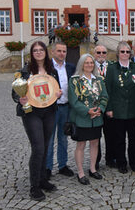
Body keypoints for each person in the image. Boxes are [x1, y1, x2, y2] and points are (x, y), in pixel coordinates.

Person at [11, 41, 62, 201]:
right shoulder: (25, 71)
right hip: (31, 113)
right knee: (38, 148)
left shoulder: (52, 70)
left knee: (46, 146)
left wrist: (58, 94)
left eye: (41, 50)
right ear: (32, 53)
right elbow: (14, 93)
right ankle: (34, 187)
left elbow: (56, 88)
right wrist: (20, 98)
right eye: (35, 50)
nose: (39, 52)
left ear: (46, 52)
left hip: (49, 112)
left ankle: (42, 180)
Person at [68, 54, 108, 185]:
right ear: (81, 64)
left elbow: (104, 96)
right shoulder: (75, 80)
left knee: (95, 143)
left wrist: (100, 108)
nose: (89, 65)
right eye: (87, 63)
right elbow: (74, 100)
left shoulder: (99, 79)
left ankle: (92, 168)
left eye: (91, 63)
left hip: (96, 118)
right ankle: (80, 172)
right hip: (82, 117)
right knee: (81, 144)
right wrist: (87, 111)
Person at [105, 41, 135, 173]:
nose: (125, 54)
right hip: (118, 110)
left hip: (133, 109)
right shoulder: (111, 68)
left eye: (127, 51)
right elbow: (107, 89)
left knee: (134, 139)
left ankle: (134, 162)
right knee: (119, 139)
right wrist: (109, 108)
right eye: (122, 51)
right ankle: (121, 162)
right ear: (117, 53)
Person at [46, 42, 75, 180]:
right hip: (51, 108)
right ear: (53, 52)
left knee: (63, 138)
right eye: (59, 51)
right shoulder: (47, 68)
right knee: (49, 139)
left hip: (66, 107)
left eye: (64, 51)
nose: (62, 53)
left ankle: (63, 165)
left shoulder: (70, 67)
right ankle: (47, 167)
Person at [93, 44, 115, 169]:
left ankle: (110, 158)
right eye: (98, 52)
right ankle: (96, 160)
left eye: (103, 53)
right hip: (95, 105)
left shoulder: (111, 67)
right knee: (96, 135)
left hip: (109, 105)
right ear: (94, 53)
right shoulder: (90, 66)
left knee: (111, 134)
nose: (101, 55)